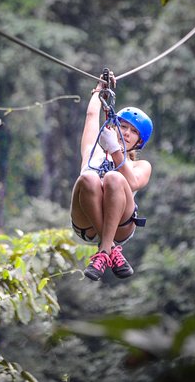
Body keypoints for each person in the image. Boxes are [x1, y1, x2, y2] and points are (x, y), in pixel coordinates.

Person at [70, 71, 153, 281]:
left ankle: (105, 250)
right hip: (86, 222)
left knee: (113, 178)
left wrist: (115, 150)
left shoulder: (141, 165)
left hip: (121, 225)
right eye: (123, 126)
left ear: (139, 142)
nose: (126, 132)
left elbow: (132, 182)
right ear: (113, 127)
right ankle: (110, 250)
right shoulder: (93, 151)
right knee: (88, 178)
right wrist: (99, 90)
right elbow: (91, 117)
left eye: (133, 131)